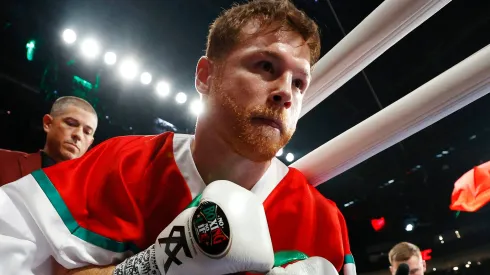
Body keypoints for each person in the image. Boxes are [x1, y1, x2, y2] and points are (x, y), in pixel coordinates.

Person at [0, 1, 356, 275]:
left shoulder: (323, 222)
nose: (285, 93)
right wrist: (154, 266)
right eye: (266, 66)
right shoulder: (125, 165)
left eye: (299, 82)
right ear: (205, 76)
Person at [0, 96, 98, 185]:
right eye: (71, 123)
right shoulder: (3, 161)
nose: (78, 135)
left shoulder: (87, 197)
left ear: (90, 142)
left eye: (87, 132)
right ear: (48, 123)